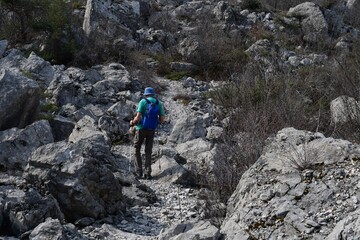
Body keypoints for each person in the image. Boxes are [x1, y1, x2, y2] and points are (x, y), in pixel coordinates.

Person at [130, 87, 165, 179]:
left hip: (141, 128)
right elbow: (162, 120)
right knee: (148, 151)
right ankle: (148, 173)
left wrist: (132, 122)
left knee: (137, 149)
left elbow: (137, 117)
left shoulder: (143, 101)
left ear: (145, 94)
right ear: (153, 94)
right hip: (151, 130)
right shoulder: (159, 103)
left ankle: (139, 172)